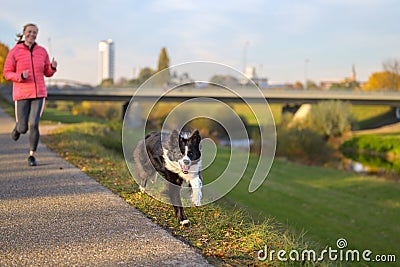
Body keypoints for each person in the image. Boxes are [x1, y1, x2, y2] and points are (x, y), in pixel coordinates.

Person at [3, 23, 57, 166]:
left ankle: (32, 155)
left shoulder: (42, 51)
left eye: (35, 32)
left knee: (34, 124)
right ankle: (18, 127)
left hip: (39, 93)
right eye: (29, 32)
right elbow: (7, 73)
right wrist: (20, 76)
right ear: (24, 33)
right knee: (23, 128)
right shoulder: (15, 51)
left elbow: (47, 72)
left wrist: (52, 68)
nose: (32, 34)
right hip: (22, 94)